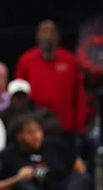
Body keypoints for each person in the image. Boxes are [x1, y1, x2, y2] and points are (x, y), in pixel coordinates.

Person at [0, 115, 90, 190]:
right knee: (20, 185)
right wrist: (17, 178)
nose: (37, 136)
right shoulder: (8, 154)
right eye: (30, 132)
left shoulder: (54, 145)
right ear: (19, 136)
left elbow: (78, 165)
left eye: (39, 131)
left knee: (82, 178)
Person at [15, 20, 86, 149]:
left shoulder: (70, 61)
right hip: (35, 129)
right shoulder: (26, 60)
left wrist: (80, 125)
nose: (48, 36)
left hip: (65, 128)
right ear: (37, 37)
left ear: (58, 37)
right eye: (44, 32)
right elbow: (18, 96)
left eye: (52, 32)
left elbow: (79, 95)